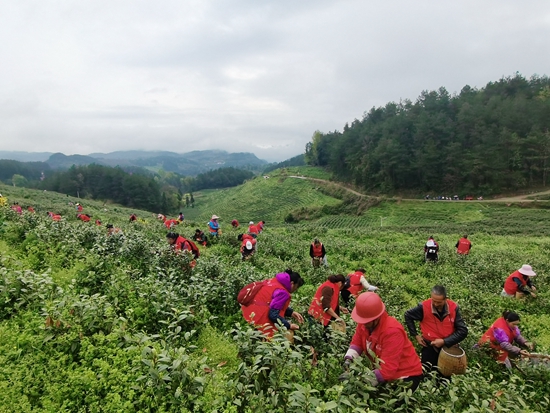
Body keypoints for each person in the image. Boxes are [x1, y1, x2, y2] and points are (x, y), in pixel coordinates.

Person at [342, 293, 423, 390]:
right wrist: (349, 360)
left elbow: (388, 369)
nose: (362, 324)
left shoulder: (392, 331)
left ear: (376, 318)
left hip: (406, 375)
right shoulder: (365, 323)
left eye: (365, 321)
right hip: (384, 372)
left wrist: (359, 380)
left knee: (393, 403)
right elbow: (357, 342)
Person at [404, 285, 468, 373]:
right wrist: (416, 335)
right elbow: (408, 315)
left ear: (446, 299)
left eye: (439, 302)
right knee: (426, 373)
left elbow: (463, 331)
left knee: (446, 376)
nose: (435, 304)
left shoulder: (453, 308)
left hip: (448, 349)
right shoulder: (423, 307)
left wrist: (444, 341)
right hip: (429, 347)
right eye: (433, 301)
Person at [241, 270, 305, 338]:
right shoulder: (283, 292)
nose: (295, 290)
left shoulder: (274, 281)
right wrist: (289, 325)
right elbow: (273, 315)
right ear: (292, 283)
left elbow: (271, 304)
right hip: (259, 319)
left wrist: (291, 313)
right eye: (296, 287)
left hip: (249, 313)